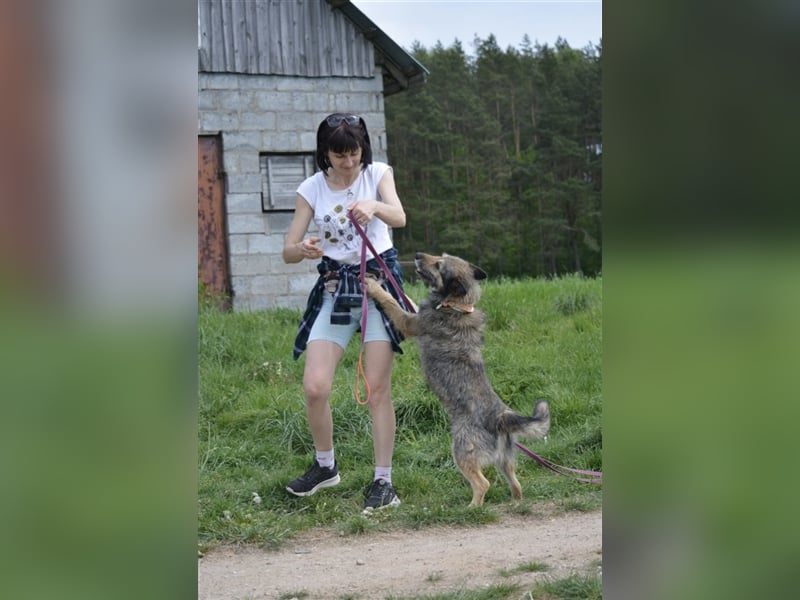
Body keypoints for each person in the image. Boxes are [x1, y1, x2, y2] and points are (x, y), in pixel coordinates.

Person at [282, 113, 411, 513]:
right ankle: (326, 467)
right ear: (326, 154)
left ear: (362, 150)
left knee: (377, 389)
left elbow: (400, 217)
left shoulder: (377, 174)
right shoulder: (312, 188)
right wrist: (301, 249)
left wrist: (374, 205)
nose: (349, 163)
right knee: (315, 386)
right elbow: (287, 251)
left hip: (378, 287)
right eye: (339, 155)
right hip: (337, 290)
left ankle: (383, 481)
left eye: (354, 153)